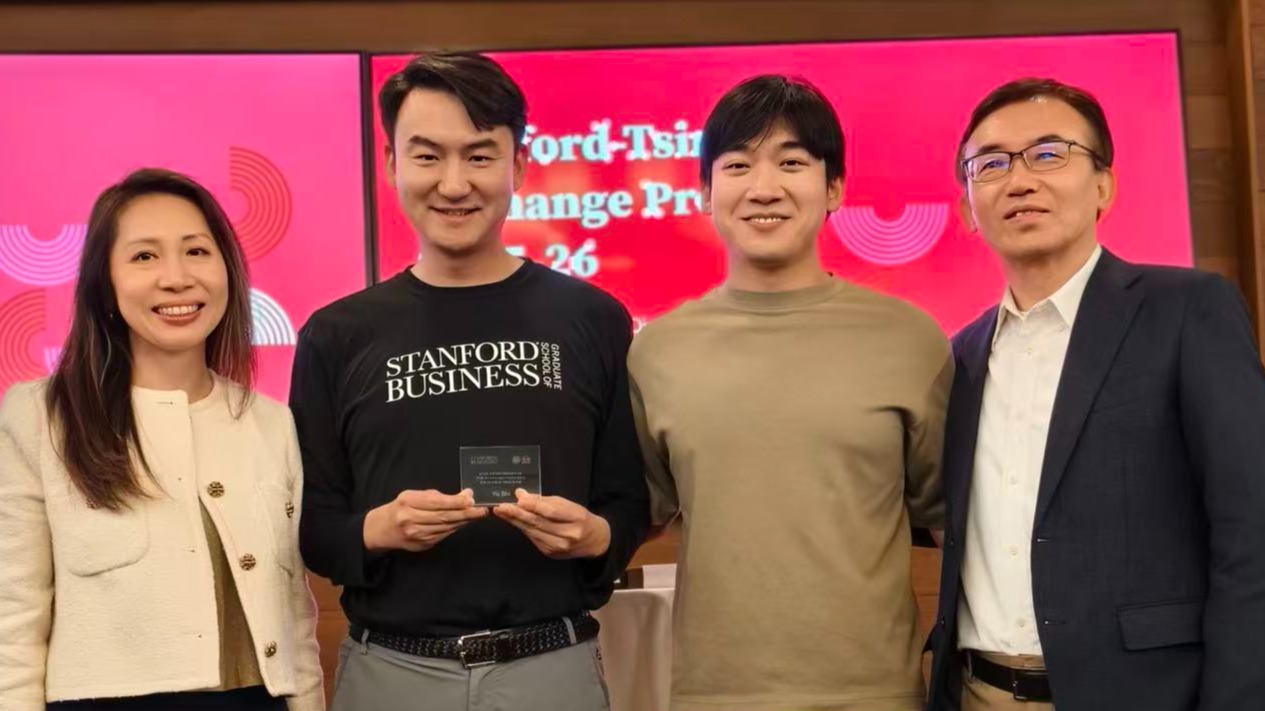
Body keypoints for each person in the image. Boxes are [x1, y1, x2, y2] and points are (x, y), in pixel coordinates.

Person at [290, 52, 649, 711]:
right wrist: (378, 528)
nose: (453, 184)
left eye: (479, 156)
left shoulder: (593, 318)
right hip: (391, 672)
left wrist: (594, 536)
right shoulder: (335, 334)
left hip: (553, 667)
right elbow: (311, 525)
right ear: (392, 163)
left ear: (519, 165)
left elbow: (628, 501)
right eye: (427, 156)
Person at [926, 78, 1265, 711]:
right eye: (991, 164)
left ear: (1104, 185)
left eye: (1048, 154)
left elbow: (1252, 529)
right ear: (968, 208)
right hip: (976, 692)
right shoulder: (959, 356)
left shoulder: (1187, 310)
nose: (1020, 180)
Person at [627, 74, 952, 711]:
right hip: (715, 696)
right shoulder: (656, 352)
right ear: (705, 191)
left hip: (875, 695)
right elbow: (638, 515)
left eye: (792, 162)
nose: (763, 187)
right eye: (737, 165)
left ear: (834, 188)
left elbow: (952, 528)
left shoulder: (911, 341)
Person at [0, 168, 324, 711]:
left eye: (196, 251)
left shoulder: (269, 423)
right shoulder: (40, 416)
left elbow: (295, 617)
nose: (176, 278)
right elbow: (13, 615)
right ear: (105, 283)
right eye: (144, 256)